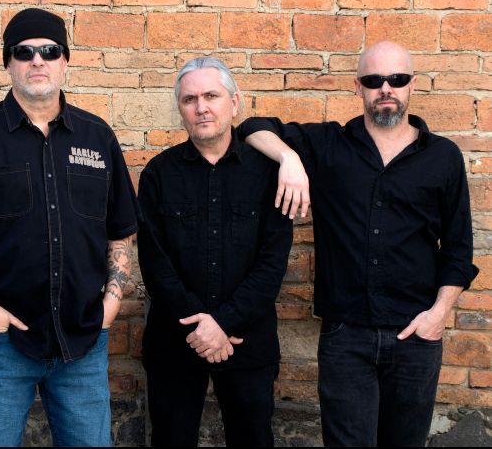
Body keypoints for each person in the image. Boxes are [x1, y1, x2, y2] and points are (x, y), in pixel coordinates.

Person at [239, 40, 478, 446]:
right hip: (346, 337)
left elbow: (458, 247)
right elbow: (251, 127)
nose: (385, 88)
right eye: (373, 80)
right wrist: (289, 159)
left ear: (412, 84)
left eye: (396, 79)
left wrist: (438, 315)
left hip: (416, 334)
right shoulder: (329, 144)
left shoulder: (443, 156)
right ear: (358, 87)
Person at [0, 8, 139, 447]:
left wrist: (110, 306)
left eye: (50, 50)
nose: (37, 60)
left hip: (83, 341)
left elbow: (120, 232)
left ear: (65, 60)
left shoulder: (97, 137)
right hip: (1, 343)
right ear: (8, 63)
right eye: (24, 52)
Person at [137, 57, 293, 447]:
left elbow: (272, 263)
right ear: (181, 110)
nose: (201, 107)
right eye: (190, 99)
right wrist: (201, 327)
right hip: (176, 342)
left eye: (211, 96)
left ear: (234, 102)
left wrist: (223, 323)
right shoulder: (158, 173)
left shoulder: (267, 174)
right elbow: (154, 263)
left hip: (247, 340)